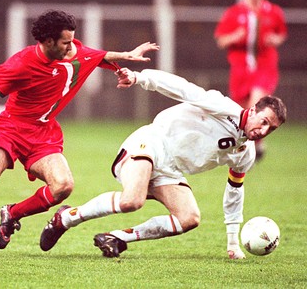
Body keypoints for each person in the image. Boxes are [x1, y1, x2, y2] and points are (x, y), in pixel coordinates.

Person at [0, 10, 159, 256]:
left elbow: (97, 56)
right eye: (65, 42)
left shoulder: (73, 50)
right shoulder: (22, 63)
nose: (71, 47)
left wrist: (125, 59)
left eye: (72, 40)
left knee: (63, 186)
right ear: (47, 42)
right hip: (10, 129)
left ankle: (12, 214)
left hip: (43, 133)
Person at [40, 67, 287, 259]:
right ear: (253, 110)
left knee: (189, 218)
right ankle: (67, 218)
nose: (263, 130)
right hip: (151, 143)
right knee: (131, 201)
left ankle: (117, 238)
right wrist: (139, 78)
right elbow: (182, 87)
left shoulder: (246, 153)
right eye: (263, 121)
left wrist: (233, 242)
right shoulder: (223, 108)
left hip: (170, 169)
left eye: (271, 129)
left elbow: (235, 192)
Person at [214, 0, 287, 160]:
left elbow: (281, 34)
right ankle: (247, 146)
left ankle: (256, 143)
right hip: (240, 69)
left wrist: (275, 39)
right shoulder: (233, 13)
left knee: (256, 102)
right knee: (240, 112)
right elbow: (221, 40)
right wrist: (235, 36)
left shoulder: (273, 11)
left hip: (264, 67)